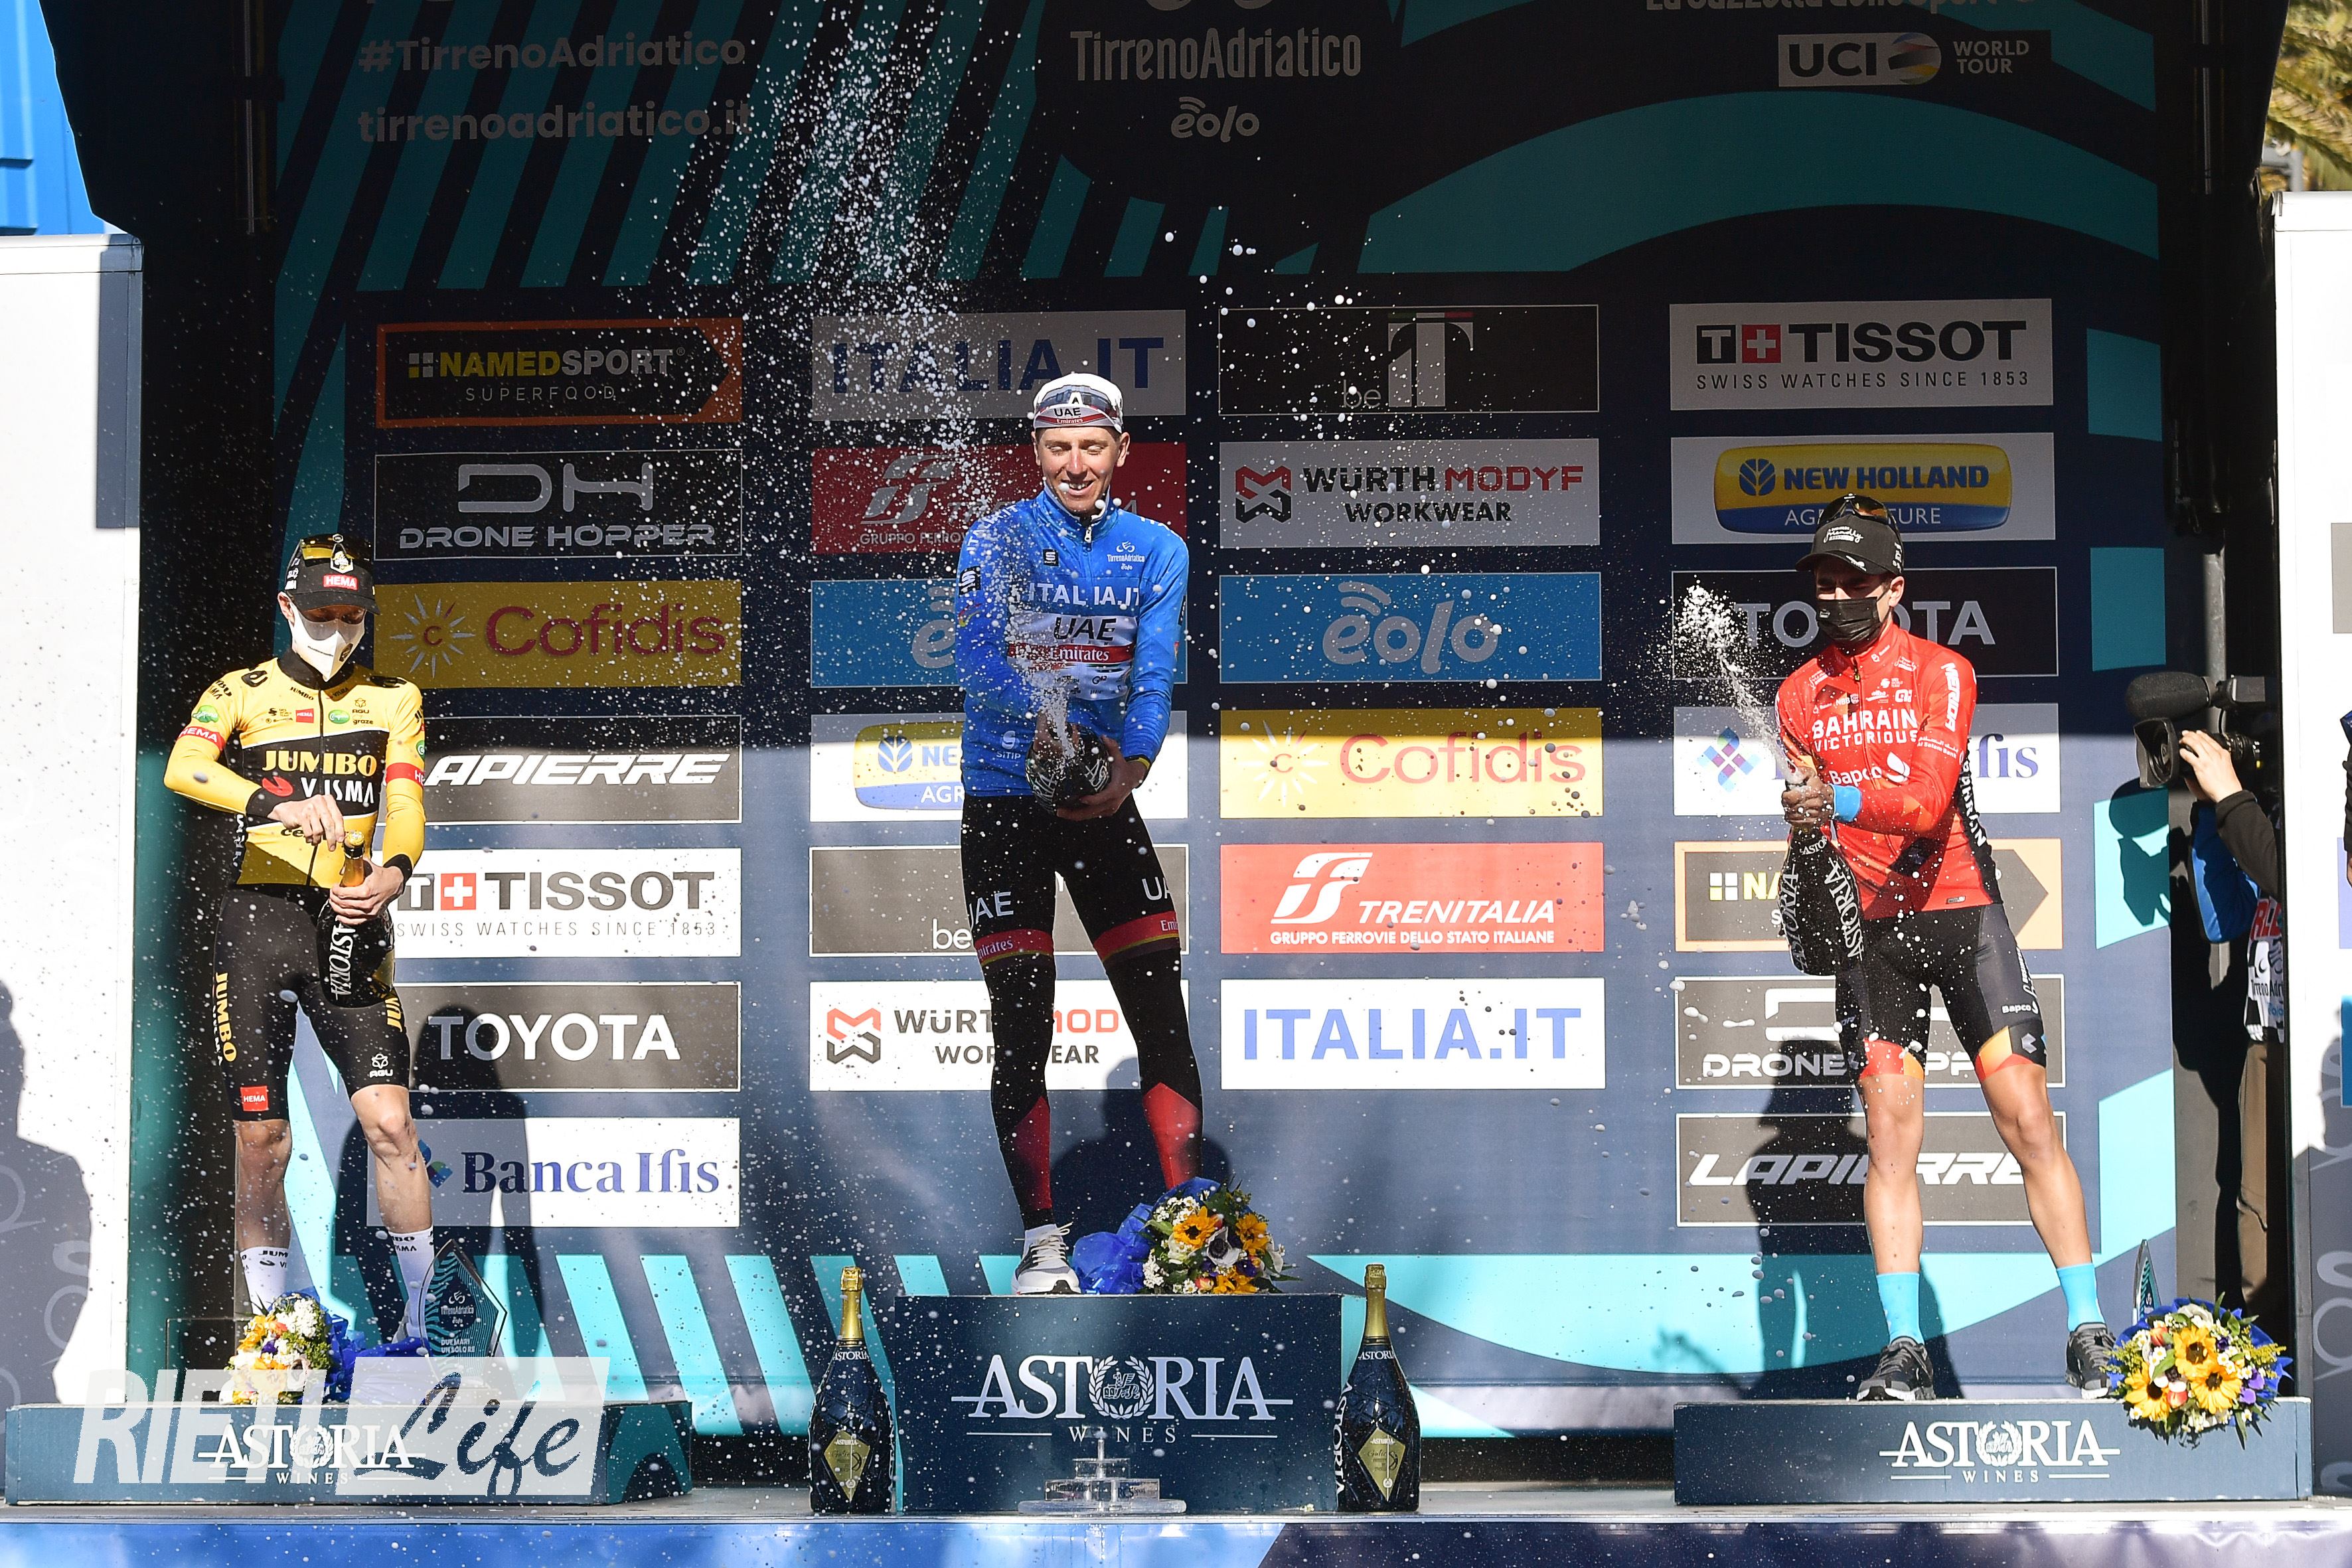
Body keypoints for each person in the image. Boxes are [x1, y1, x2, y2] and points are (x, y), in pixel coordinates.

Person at [1777, 496, 2114, 1401]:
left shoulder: (1942, 671)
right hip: (1872, 936)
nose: (1834, 594)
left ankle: (2087, 1331)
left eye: (1852, 580)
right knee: (1889, 1139)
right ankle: (1903, 1350)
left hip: (1962, 914)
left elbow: (1926, 804)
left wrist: (1835, 801)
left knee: (2027, 1120)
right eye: (1823, 580)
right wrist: (1806, 849)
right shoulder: (1797, 694)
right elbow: (1812, 823)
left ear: (1893, 588)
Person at [954, 372, 1200, 1294]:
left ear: (1120, 451)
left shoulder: (1159, 549)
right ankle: (1040, 1244)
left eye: (1091, 446)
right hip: (1005, 797)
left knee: (1159, 1006)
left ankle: (1194, 1238)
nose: (1075, 464)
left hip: (1102, 799)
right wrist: (1048, 720)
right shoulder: (997, 538)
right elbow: (977, 658)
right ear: (1036, 452)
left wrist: (1129, 770)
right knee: (1022, 1019)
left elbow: (1153, 672)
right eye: (1057, 447)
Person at [163, 534, 436, 1338]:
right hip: (259, 922)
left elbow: (407, 804)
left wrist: (394, 871)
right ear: (288, 608)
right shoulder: (240, 690)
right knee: (262, 1140)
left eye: (352, 616)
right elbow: (184, 766)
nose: (337, 629)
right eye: (321, 614)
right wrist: (275, 804)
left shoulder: (395, 697)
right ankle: (273, 1339)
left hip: (350, 917)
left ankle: (421, 1327)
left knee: (391, 1123)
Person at [2184, 726, 2287, 1327]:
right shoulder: (2260, 821)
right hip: (2265, 1034)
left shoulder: (2316, 820)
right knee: (2257, 1201)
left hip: (2318, 1038)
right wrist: (2208, 813)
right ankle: (2268, 1346)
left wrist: (2231, 798)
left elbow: (2283, 875)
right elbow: (2223, 920)